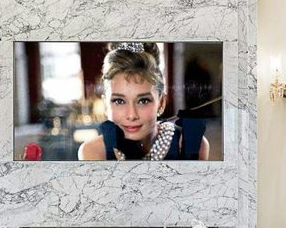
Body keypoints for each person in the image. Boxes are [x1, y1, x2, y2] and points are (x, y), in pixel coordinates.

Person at [77, 43, 211, 161]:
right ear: (106, 105)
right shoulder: (92, 152)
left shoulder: (191, 145)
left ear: (161, 103)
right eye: (119, 101)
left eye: (143, 101)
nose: (132, 115)